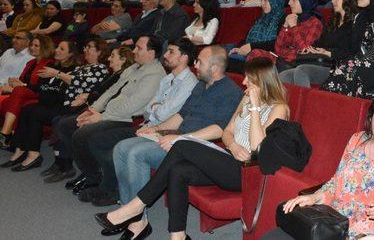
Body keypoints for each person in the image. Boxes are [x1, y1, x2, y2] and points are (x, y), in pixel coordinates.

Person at [95, 57, 288, 240]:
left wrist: (255, 108)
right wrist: (234, 145)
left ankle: (137, 206)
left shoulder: (279, 108)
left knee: (183, 144)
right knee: (179, 170)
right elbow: (226, 133)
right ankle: (177, 235)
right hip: (229, 157)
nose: (244, 82)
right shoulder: (245, 100)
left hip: (247, 171)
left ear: (264, 81)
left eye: (250, 79)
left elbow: (257, 146)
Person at [109, 45, 242, 237]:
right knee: (121, 148)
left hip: (193, 149)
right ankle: (131, 214)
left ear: (214, 68)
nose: (195, 65)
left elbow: (219, 130)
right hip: (175, 138)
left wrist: (180, 138)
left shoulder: (230, 92)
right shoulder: (200, 85)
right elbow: (181, 115)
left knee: (136, 154)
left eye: (200, 62)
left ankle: (136, 220)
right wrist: (157, 128)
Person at [67, 38, 198, 206]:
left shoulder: (189, 83)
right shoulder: (167, 79)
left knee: (114, 148)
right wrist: (156, 107)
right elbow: (149, 109)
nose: (165, 54)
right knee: (97, 141)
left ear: (184, 58)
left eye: (171, 51)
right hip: (147, 125)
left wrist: (155, 107)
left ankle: (113, 191)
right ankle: (109, 185)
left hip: (163, 132)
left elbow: (162, 111)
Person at [272, 90, 374, 239]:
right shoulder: (357, 140)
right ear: (371, 117)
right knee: (274, 236)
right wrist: (315, 197)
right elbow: (336, 183)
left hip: (369, 236)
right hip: (332, 226)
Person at [60, 36, 166, 200]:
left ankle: (95, 178)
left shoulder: (155, 73)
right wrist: (93, 109)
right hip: (110, 113)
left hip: (127, 119)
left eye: (139, 48)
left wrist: (101, 117)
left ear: (151, 52)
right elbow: (111, 90)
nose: (134, 51)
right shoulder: (135, 67)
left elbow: (134, 105)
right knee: (67, 125)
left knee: (82, 135)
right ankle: (91, 173)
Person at [1, 40, 110, 171]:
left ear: (99, 52)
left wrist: (56, 74)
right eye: (85, 46)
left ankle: (33, 154)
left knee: (35, 113)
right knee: (27, 109)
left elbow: (79, 83)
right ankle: (20, 150)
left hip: (74, 107)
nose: (85, 49)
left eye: (90, 47)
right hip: (63, 102)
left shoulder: (100, 69)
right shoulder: (82, 67)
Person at [43, 46, 135, 183]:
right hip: (95, 107)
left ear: (122, 59)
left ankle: (83, 169)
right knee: (61, 121)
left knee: (65, 124)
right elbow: (99, 93)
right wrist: (87, 97)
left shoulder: (124, 77)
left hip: (108, 113)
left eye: (113, 56)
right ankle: (65, 164)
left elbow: (111, 99)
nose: (109, 58)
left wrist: (89, 102)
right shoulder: (114, 75)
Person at [280, 0, 358, 88]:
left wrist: (328, 52)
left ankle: (305, 104)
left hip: (337, 65)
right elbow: (319, 43)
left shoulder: (354, 24)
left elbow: (351, 51)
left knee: (302, 70)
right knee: (284, 75)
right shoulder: (333, 23)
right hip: (322, 62)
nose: (332, 1)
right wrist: (312, 49)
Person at [0, 35, 54, 148]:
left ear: (44, 47)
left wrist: (21, 85)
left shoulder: (49, 63)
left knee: (18, 93)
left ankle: (5, 133)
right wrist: (14, 82)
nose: (32, 48)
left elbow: (43, 87)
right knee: (9, 100)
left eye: (36, 46)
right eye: (32, 45)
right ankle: (13, 137)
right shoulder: (31, 63)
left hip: (39, 95)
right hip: (25, 93)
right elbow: (22, 81)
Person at [248, 0, 323, 66]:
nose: (289, 3)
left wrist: (294, 27)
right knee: (255, 53)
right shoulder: (293, 18)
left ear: (305, 1)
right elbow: (278, 48)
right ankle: (248, 78)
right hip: (282, 59)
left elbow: (305, 51)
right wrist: (285, 26)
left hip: (296, 63)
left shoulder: (315, 23)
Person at [228, 0, 288, 68]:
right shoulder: (262, 18)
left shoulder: (283, 19)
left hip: (265, 56)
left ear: (275, 1)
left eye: (266, 0)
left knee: (226, 60)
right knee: (224, 49)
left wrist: (252, 46)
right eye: (261, 0)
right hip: (250, 50)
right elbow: (247, 38)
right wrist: (238, 48)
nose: (262, 4)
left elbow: (277, 43)